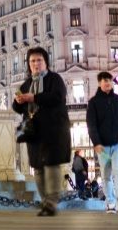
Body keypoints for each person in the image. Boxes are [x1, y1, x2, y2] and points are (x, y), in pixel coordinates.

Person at [13, 46, 71, 217]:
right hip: (34, 131)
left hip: (53, 129)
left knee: (52, 164)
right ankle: (45, 201)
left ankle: (51, 202)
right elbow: (18, 108)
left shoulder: (55, 79)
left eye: (39, 60)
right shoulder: (27, 84)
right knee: (37, 167)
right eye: (32, 61)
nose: (36, 64)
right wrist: (19, 101)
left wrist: (34, 97)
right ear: (28, 64)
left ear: (46, 62)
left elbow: (58, 97)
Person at [86, 72, 118, 212]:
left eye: (109, 81)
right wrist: (96, 142)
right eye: (105, 80)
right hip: (102, 146)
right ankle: (110, 202)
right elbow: (91, 124)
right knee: (106, 176)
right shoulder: (93, 102)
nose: (107, 83)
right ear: (99, 83)